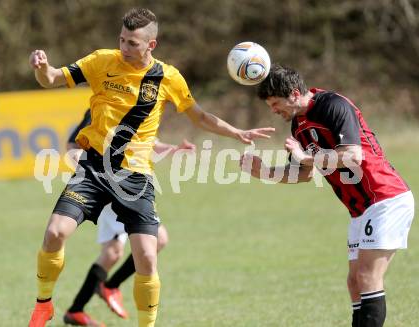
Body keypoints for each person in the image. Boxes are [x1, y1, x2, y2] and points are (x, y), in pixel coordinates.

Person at [28, 8, 274, 327]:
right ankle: (43, 304)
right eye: (122, 40)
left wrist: (236, 132)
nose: (124, 48)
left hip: (135, 176)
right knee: (54, 232)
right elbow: (51, 80)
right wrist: (43, 68)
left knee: (147, 255)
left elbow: (198, 116)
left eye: (132, 43)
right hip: (94, 169)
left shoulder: (167, 77)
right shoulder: (102, 60)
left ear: (151, 45)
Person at [240, 64, 415, 327]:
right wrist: (264, 171)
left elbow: (353, 156)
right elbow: (303, 173)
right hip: (360, 209)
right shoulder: (297, 125)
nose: (274, 110)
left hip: (385, 198)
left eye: (276, 103)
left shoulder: (333, 105)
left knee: (368, 276)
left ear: (295, 93)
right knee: (355, 281)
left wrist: (306, 157)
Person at [63, 109, 195, 327]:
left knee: (113, 252)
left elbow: (148, 145)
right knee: (157, 239)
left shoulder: (142, 105)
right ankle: (107, 288)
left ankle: (77, 310)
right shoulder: (107, 102)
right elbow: (73, 145)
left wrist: (174, 149)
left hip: (130, 186)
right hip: (109, 185)